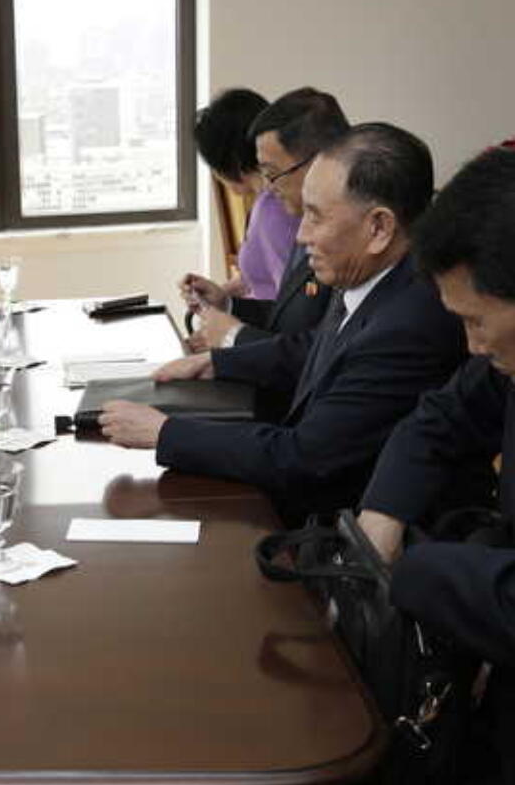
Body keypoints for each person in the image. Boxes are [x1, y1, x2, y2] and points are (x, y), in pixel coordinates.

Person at [100, 123, 471, 525]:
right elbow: (317, 349)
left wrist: (165, 433)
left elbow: (304, 458)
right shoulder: (372, 272)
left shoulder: (410, 323)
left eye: (315, 216)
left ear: (378, 227)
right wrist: (216, 363)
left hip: (336, 526)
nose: (300, 235)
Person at [357, 147, 515, 785]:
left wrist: (418, 572)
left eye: (477, 322)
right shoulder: (504, 358)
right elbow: (439, 417)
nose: (472, 347)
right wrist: (382, 517)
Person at [180, 87, 345, 350]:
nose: (269, 186)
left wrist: (232, 336)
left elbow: (303, 336)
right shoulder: (285, 208)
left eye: (272, 172)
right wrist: (227, 303)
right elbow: (291, 309)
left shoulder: (278, 211)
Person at [193, 88, 300, 302]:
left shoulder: (273, 210)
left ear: (227, 163)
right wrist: (220, 293)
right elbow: (261, 278)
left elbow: (291, 304)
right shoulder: (270, 202)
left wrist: (231, 329)